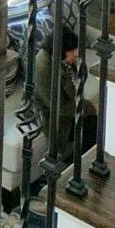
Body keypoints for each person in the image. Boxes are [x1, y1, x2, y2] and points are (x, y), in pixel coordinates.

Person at [32, 25, 98, 163]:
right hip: (51, 113)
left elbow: (80, 77)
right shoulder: (43, 66)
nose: (76, 54)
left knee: (98, 122)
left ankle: (78, 162)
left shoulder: (65, 59)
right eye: (72, 51)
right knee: (94, 125)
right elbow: (58, 106)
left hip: (69, 104)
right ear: (61, 51)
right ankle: (75, 166)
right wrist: (91, 107)